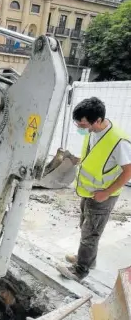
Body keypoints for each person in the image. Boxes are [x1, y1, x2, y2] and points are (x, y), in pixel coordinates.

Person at [56, 97, 131, 282]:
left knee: (90, 233)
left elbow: (128, 171)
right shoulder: (93, 132)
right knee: (86, 228)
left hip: (103, 196)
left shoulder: (119, 141)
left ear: (97, 120)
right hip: (89, 192)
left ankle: (80, 270)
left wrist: (106, 192)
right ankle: (88, 259)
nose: (80, 127)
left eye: (82, 123)